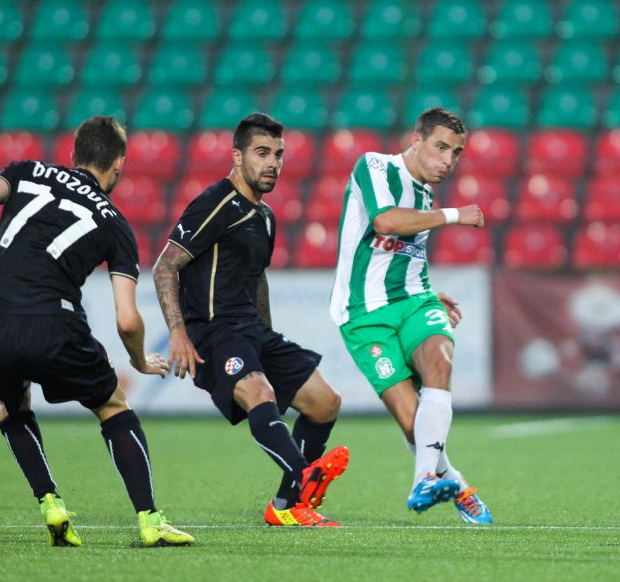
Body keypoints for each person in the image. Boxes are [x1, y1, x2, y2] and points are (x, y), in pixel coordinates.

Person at [0, 115, 194, 548]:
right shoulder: (116, 224)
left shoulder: (27, 171)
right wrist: (138, 360)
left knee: (12, 404)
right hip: (54, 324)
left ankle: (50, 504)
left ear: (73, 154)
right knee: (113, 406)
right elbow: (126, 319)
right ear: (118, 164)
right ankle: (151, 521)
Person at [153, 113, 348, 527]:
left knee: (325, 403)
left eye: (278, 154)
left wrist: (267, 337)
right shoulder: (216, 203)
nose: (273, 163)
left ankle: (284, 507)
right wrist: (178, 333)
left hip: (251, 330)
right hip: (213, 331)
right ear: (237, 156)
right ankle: (303, 478)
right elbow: (165, 266)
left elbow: (256, 279)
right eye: (262, 153)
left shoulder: (265, 216)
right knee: (259, 392)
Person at [330, 107, 492, 524]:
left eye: (455, 153)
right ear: (416, 140)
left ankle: (422, 480)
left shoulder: (425, 193)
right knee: (412, 419)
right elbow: (385, 222)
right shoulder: (375, 166)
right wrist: (455, 215)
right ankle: (454, 481)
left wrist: (429, 292)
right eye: (440, 147)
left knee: (441, 357)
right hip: (363, 315)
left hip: (414, 300)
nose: (447, 160)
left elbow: (404, 251)